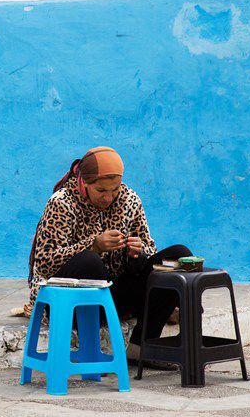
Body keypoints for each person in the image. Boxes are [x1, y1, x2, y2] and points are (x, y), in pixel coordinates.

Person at [25, 146, 192, 365]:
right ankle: (90, 352)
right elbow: (45, 262)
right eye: (101, 190)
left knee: (179, 257)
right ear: (84, 183)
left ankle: (141, 346)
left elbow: (150, 250)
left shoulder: (129, 200)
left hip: (114, 296)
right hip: (69, 303)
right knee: (90, 261)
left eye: (114, 189)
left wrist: (137, 254)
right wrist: (93, 245)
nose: (109, 197)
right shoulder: (62, 203)